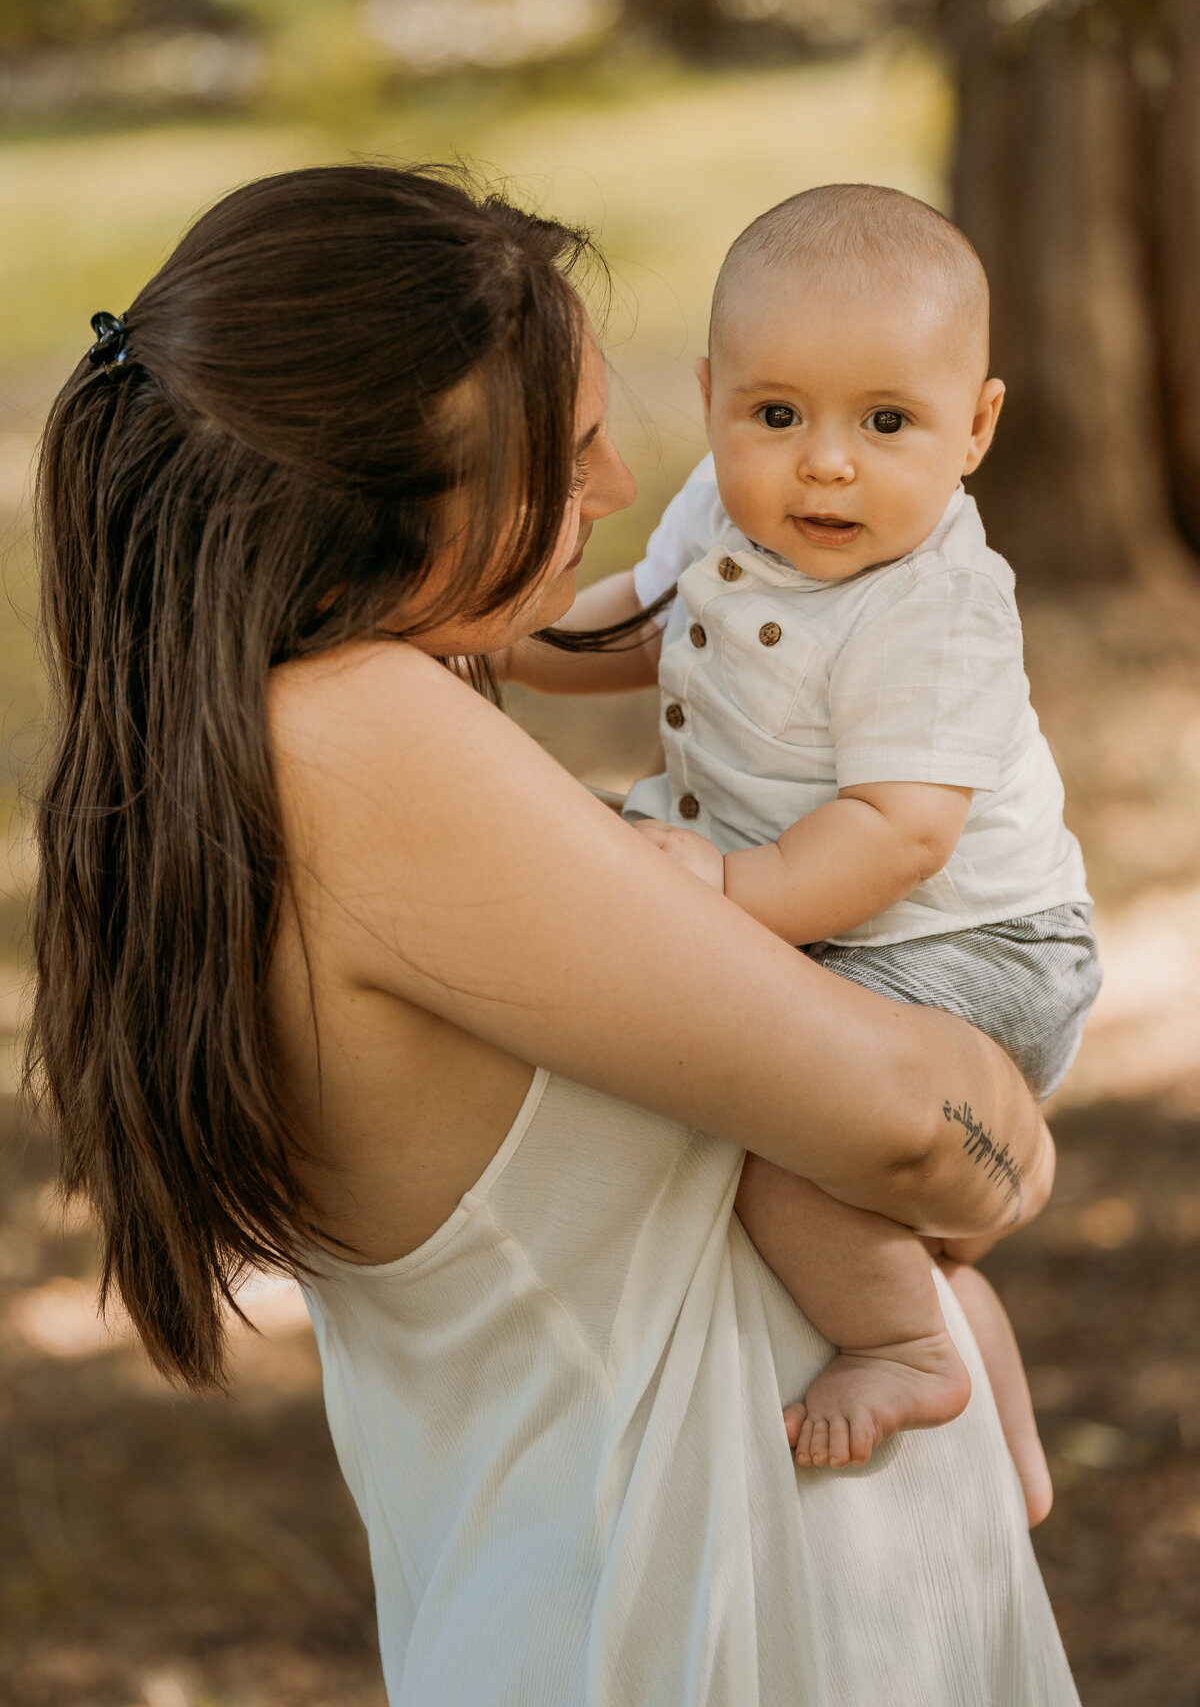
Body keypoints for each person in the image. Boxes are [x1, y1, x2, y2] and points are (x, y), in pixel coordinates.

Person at [28, 164, 1080, 1705]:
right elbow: (919, 1138)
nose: (616, 478)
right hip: (714, 1610)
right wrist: (1017, 1145)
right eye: (568, 448)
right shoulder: (358, 736)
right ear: (397, 504)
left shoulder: (227, 753)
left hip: (616, 1585)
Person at [510, 184, 1100, 1526]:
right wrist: (499, 638)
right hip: (803, 891)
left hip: (969, 943)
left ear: (976, 430)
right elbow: (643, 629)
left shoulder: (933, 604)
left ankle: (900, 1351)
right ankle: (970, 1366)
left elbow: (902, 833)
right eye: (777, 417)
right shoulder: (726, 512)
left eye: (886, 423)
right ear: (718, 396)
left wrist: (733, 895)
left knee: (780, 1121)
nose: (824, 464)